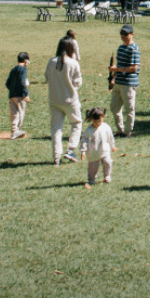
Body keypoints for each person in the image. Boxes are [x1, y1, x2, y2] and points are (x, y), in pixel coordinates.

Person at [45, 36, 83, 165]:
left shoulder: (52, 61)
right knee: (76, 124)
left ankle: (56, 158)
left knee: (56, 129)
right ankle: (71, 149)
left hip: (54, 99)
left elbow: (47, 77)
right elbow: (78, 82)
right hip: (70, 100)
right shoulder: (73, 63)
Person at [109, 25, 141, 137]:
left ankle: (127, 132)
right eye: (122, 34)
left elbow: (134, 68)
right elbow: (119, 64)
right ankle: (119, 130)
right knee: (114, 107)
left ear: (132, 34)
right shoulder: (121, 48)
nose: (123, 36)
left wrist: (116, 69)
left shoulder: (134, 49)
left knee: (129, 109)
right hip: (118, 82)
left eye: (126, 34)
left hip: (128, 83)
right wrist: (113, 77)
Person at [80, 107, 116, 186]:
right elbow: (84, 141)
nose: (98, 123)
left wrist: (112, 145)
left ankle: (107, 176)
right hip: (93, 153)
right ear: (91, 119)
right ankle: (91, 179)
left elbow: (110, 137)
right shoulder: (88, 130)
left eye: (100, 121)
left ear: (103, 118)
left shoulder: (106, 127)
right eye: (95, 121)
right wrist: (83, 151)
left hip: (104, 150)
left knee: (107, 162)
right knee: (92, 168)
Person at [6, 51, 31, 139]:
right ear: (25, 61)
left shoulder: (13, 69)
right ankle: (17, 130)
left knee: (14, 113)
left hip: (12, 95)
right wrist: (25, 94)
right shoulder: (23, 69)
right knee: (21, 113)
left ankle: (14, 130)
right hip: (20, 95)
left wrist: (13, 90)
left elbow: (8, 83)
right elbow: (22, 81)